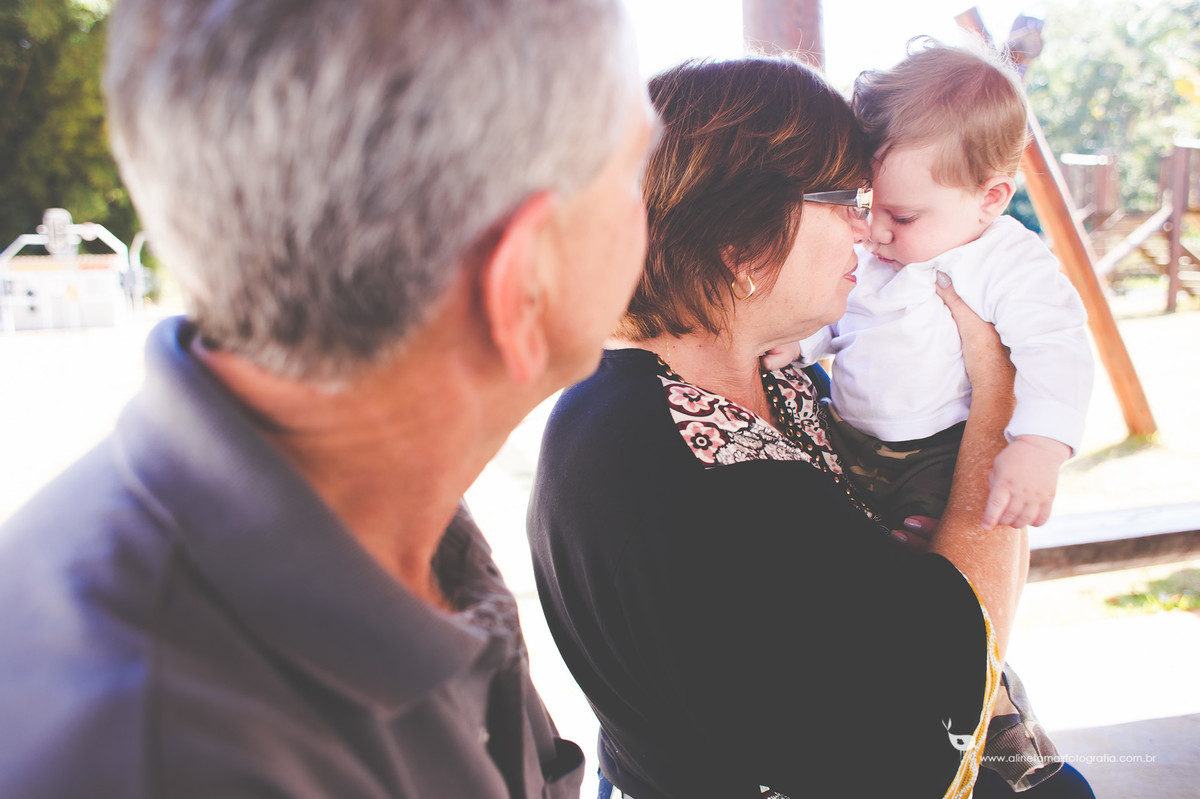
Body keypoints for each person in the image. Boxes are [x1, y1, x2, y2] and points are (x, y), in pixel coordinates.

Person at [0, 1, 659, 796]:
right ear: (521, 284)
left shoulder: (395, 503)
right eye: (632, 174)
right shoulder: (161, 752)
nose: (649, 214)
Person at [528, 57, 1093, 798]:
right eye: (845, 200)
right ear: (743, 244)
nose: (866, 229)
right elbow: (940, 677)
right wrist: (995, 397)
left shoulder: (739, 381)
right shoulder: (708, 479)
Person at [779, 40, 1093, 534]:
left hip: (937, 450)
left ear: (989, 198)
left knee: (928, 530)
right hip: (845, 429)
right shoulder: (879, 250)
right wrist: (801, 341)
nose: (875, 231)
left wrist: (1039, 445)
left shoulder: (1005, 259)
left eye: (902, 216)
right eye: (867, 206)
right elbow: (843, 318)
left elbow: (1056, 346)